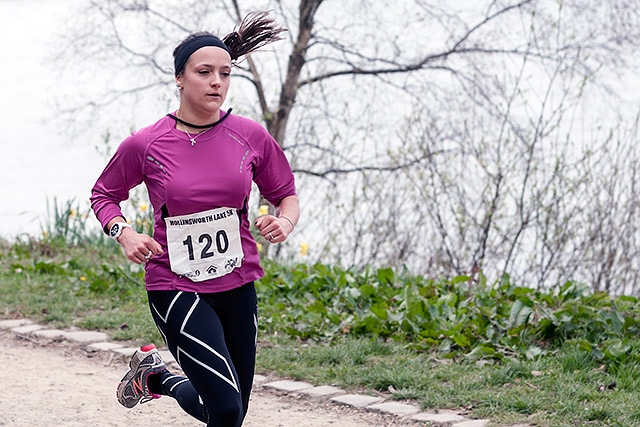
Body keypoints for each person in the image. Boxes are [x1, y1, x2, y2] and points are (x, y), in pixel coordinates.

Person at [90, 11, 298, 427]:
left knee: (231, 410)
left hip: (238, 283)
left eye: (224, 73)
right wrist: (124, 232)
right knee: (224, 409)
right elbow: (104, 195)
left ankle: (155, 376)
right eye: (204, 72)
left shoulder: (250, 135)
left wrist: (285, 223)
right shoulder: (146, 143)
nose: (216, 82)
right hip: (175, 283)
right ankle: (161, 377)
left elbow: (285, 195)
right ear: (180, 79)